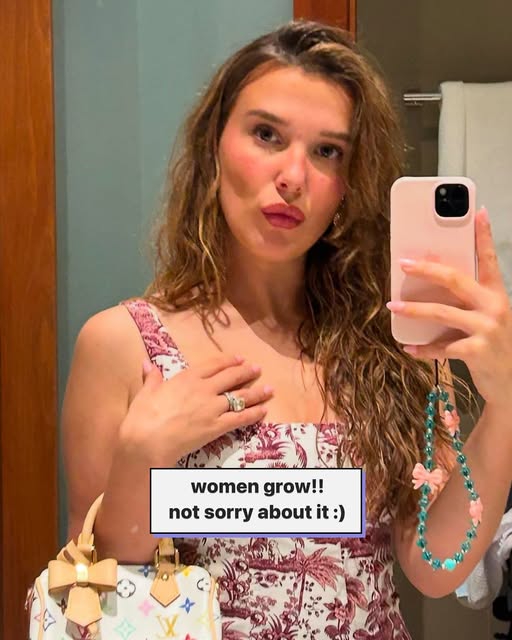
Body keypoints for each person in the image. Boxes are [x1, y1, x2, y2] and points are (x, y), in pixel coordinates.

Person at [62, 20, 512, 638]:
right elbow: (97, 594)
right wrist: (142, 455)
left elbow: (435, 566)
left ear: (348, 183)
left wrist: (505, 403)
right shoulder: (124, 344)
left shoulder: (387, 344)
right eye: (267, 134)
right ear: (214, 144)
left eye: (328, 151)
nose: (293, 176)